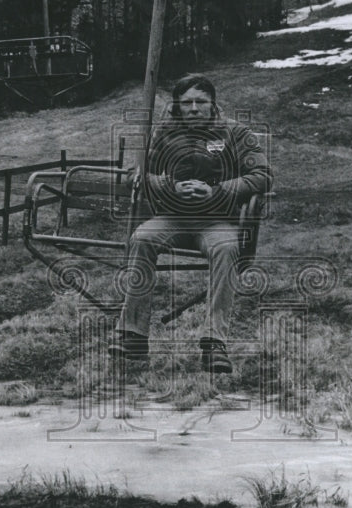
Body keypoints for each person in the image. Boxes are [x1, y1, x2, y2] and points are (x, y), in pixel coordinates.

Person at [109, 74, 273, 373]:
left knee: (226, 249)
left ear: (213, 104)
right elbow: (137, 176)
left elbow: (263, 176)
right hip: (172, 218)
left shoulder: (235, 134)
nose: (194, 108)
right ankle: (133, 334)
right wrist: (170, 185)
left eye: (201, 102)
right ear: (177, 106)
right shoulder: (162, 135)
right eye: (187, 103)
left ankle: (214, 344)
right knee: (142, 237)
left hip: (217, 222)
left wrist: (219, 189)